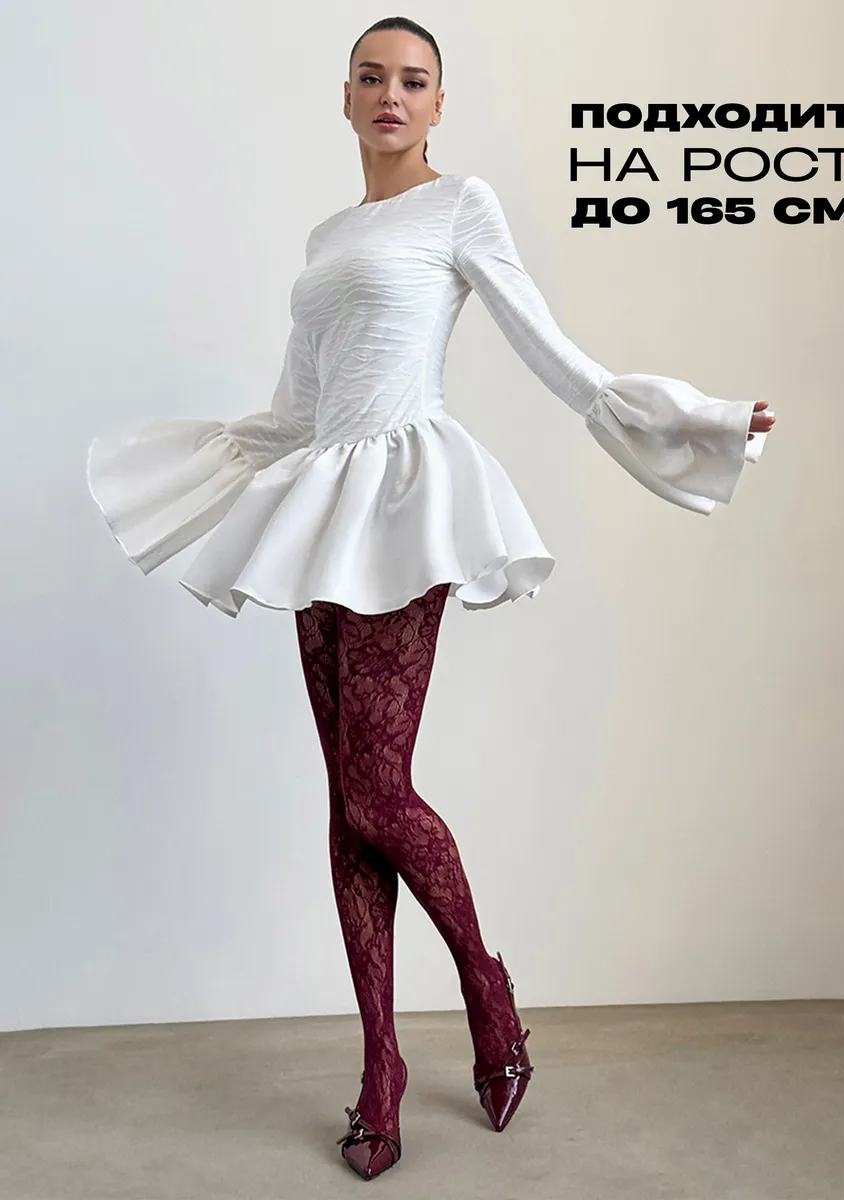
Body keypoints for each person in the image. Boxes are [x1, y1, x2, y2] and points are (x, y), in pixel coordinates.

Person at [85, 16, 776, 1183]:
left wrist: (698, 421)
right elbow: (299, 408)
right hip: (322, 499)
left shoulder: (461, 206)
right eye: (373, 77)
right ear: (346, 96)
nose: (391, 95)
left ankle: (484, 988)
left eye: (413, 81)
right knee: (347, 805)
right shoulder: (327, 237)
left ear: (438, 104)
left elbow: (553, 353)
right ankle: (381, 1064)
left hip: (406, 497)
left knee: (376, 788)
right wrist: (190, 466)